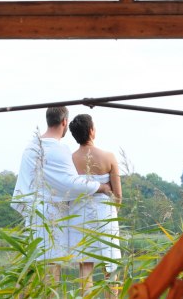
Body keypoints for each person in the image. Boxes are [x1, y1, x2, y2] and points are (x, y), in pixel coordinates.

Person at [12, 107, 113, 284]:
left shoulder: (30, 147)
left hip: (33, 216)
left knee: (32, 271)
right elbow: (70, 183)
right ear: (64, 121)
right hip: (52, 218)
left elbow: (24, 185)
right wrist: (101, 187)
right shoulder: (60, 150)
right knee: (51, 271)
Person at [68, 113, 122, 297]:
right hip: (105, 214)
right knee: (111, 263)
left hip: (78, 214)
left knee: (85, 264)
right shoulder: (109, 157)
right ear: (91, 131)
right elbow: (118, 195)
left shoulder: (70, 160)